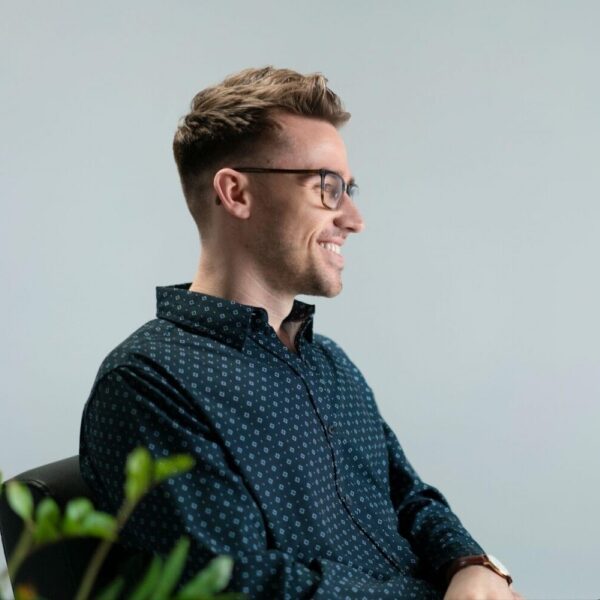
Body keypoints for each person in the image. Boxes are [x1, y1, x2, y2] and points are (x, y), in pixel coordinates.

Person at [79, 66, 523, 599]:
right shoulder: (149, 383)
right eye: (327, 188)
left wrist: (471, 565)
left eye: (349, 190)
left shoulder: (329, 363)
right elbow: (240, 585)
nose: (354, 219)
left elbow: (409, 499)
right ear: (236, 193)